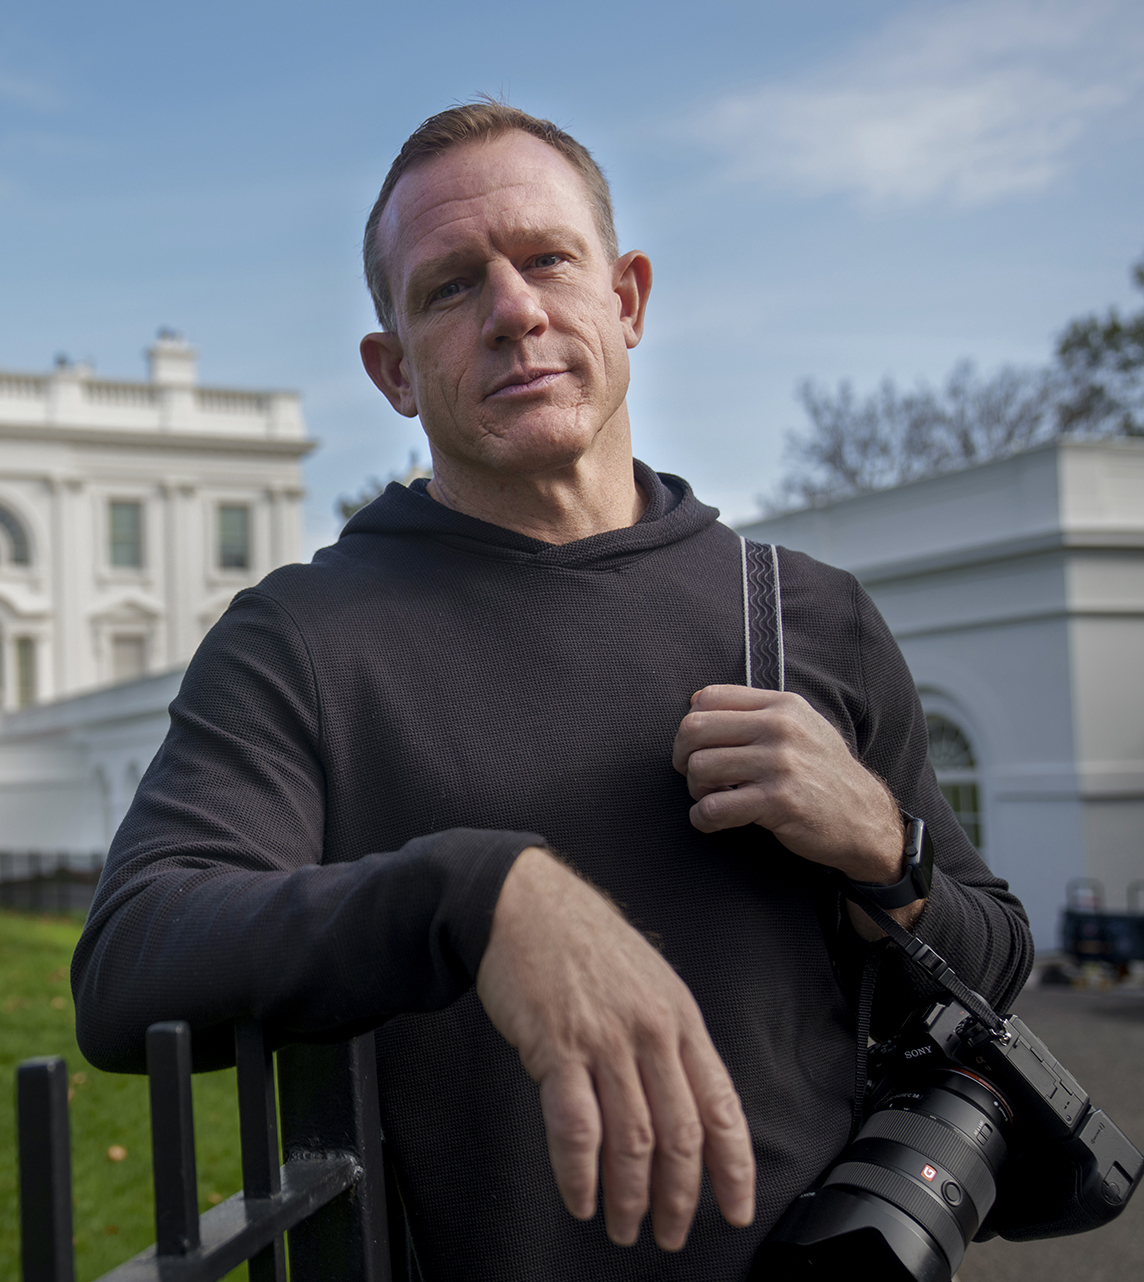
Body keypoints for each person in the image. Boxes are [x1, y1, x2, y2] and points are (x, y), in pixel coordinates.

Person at [70, 101, 1034, 1279]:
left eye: (545, 260)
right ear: (393, 371)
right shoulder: (302, 639)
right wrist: (473, 894)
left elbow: (993, 963)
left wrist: (884, 848)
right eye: (449, 287)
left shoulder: (804, 613)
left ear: (624, 299)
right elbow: (127, 965)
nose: (513, 311)